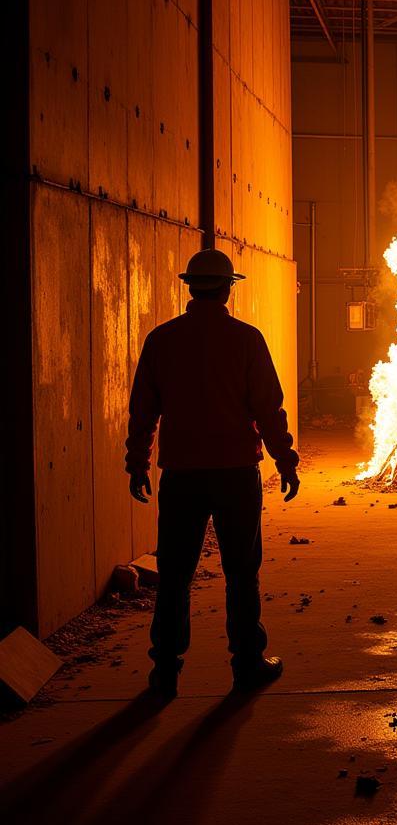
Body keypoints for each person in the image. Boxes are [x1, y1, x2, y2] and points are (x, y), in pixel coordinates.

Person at [125, 248, 300, 697]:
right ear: (227, 289)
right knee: (242, 571)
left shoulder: (161, 340)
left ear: (190, 288)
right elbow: (268, 408)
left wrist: (138, 463)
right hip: (235, 473)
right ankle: (247, 664)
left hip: (181, 474)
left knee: (175, 573)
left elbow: (143, 411)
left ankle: (164, 672)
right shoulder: (246, 339)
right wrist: (285, 460)